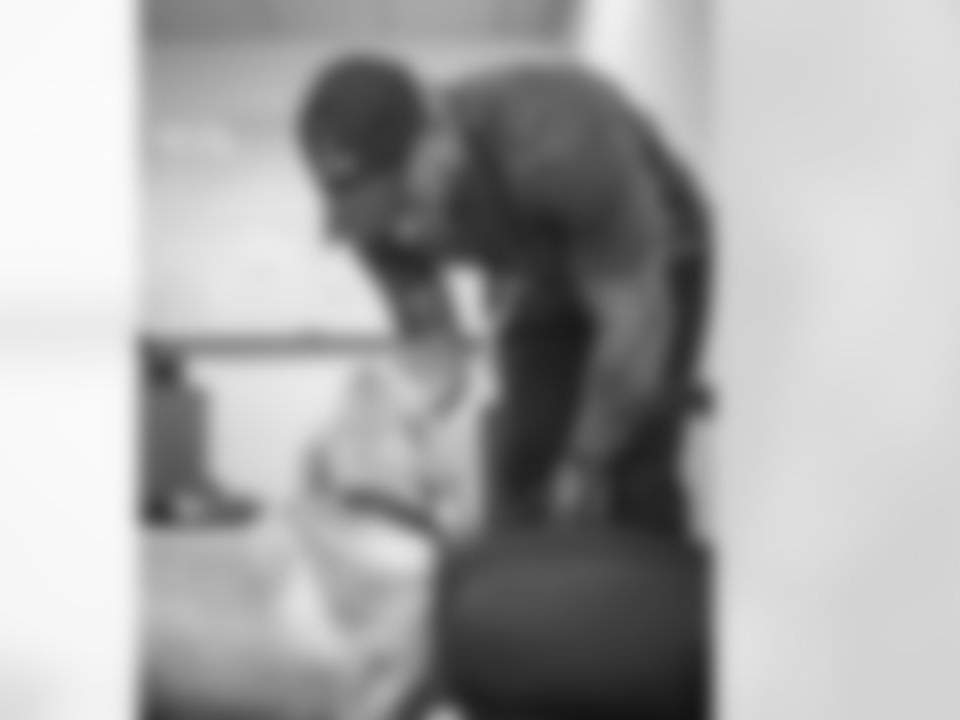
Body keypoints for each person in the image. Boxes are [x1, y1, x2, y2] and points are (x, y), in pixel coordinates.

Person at [296, 54, 714, 540]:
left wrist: (583, 462)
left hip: (654, 255)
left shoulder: (556, 140)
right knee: (526, 467)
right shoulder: (374, 228)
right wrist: (378, 440)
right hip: (534, 264)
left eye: (403, 199)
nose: (402, 232)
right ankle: (531, 579)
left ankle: (648, 562)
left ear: (438, 134)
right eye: (378, 215)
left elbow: (634, 329)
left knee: (632, 464)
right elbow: (435, 353)